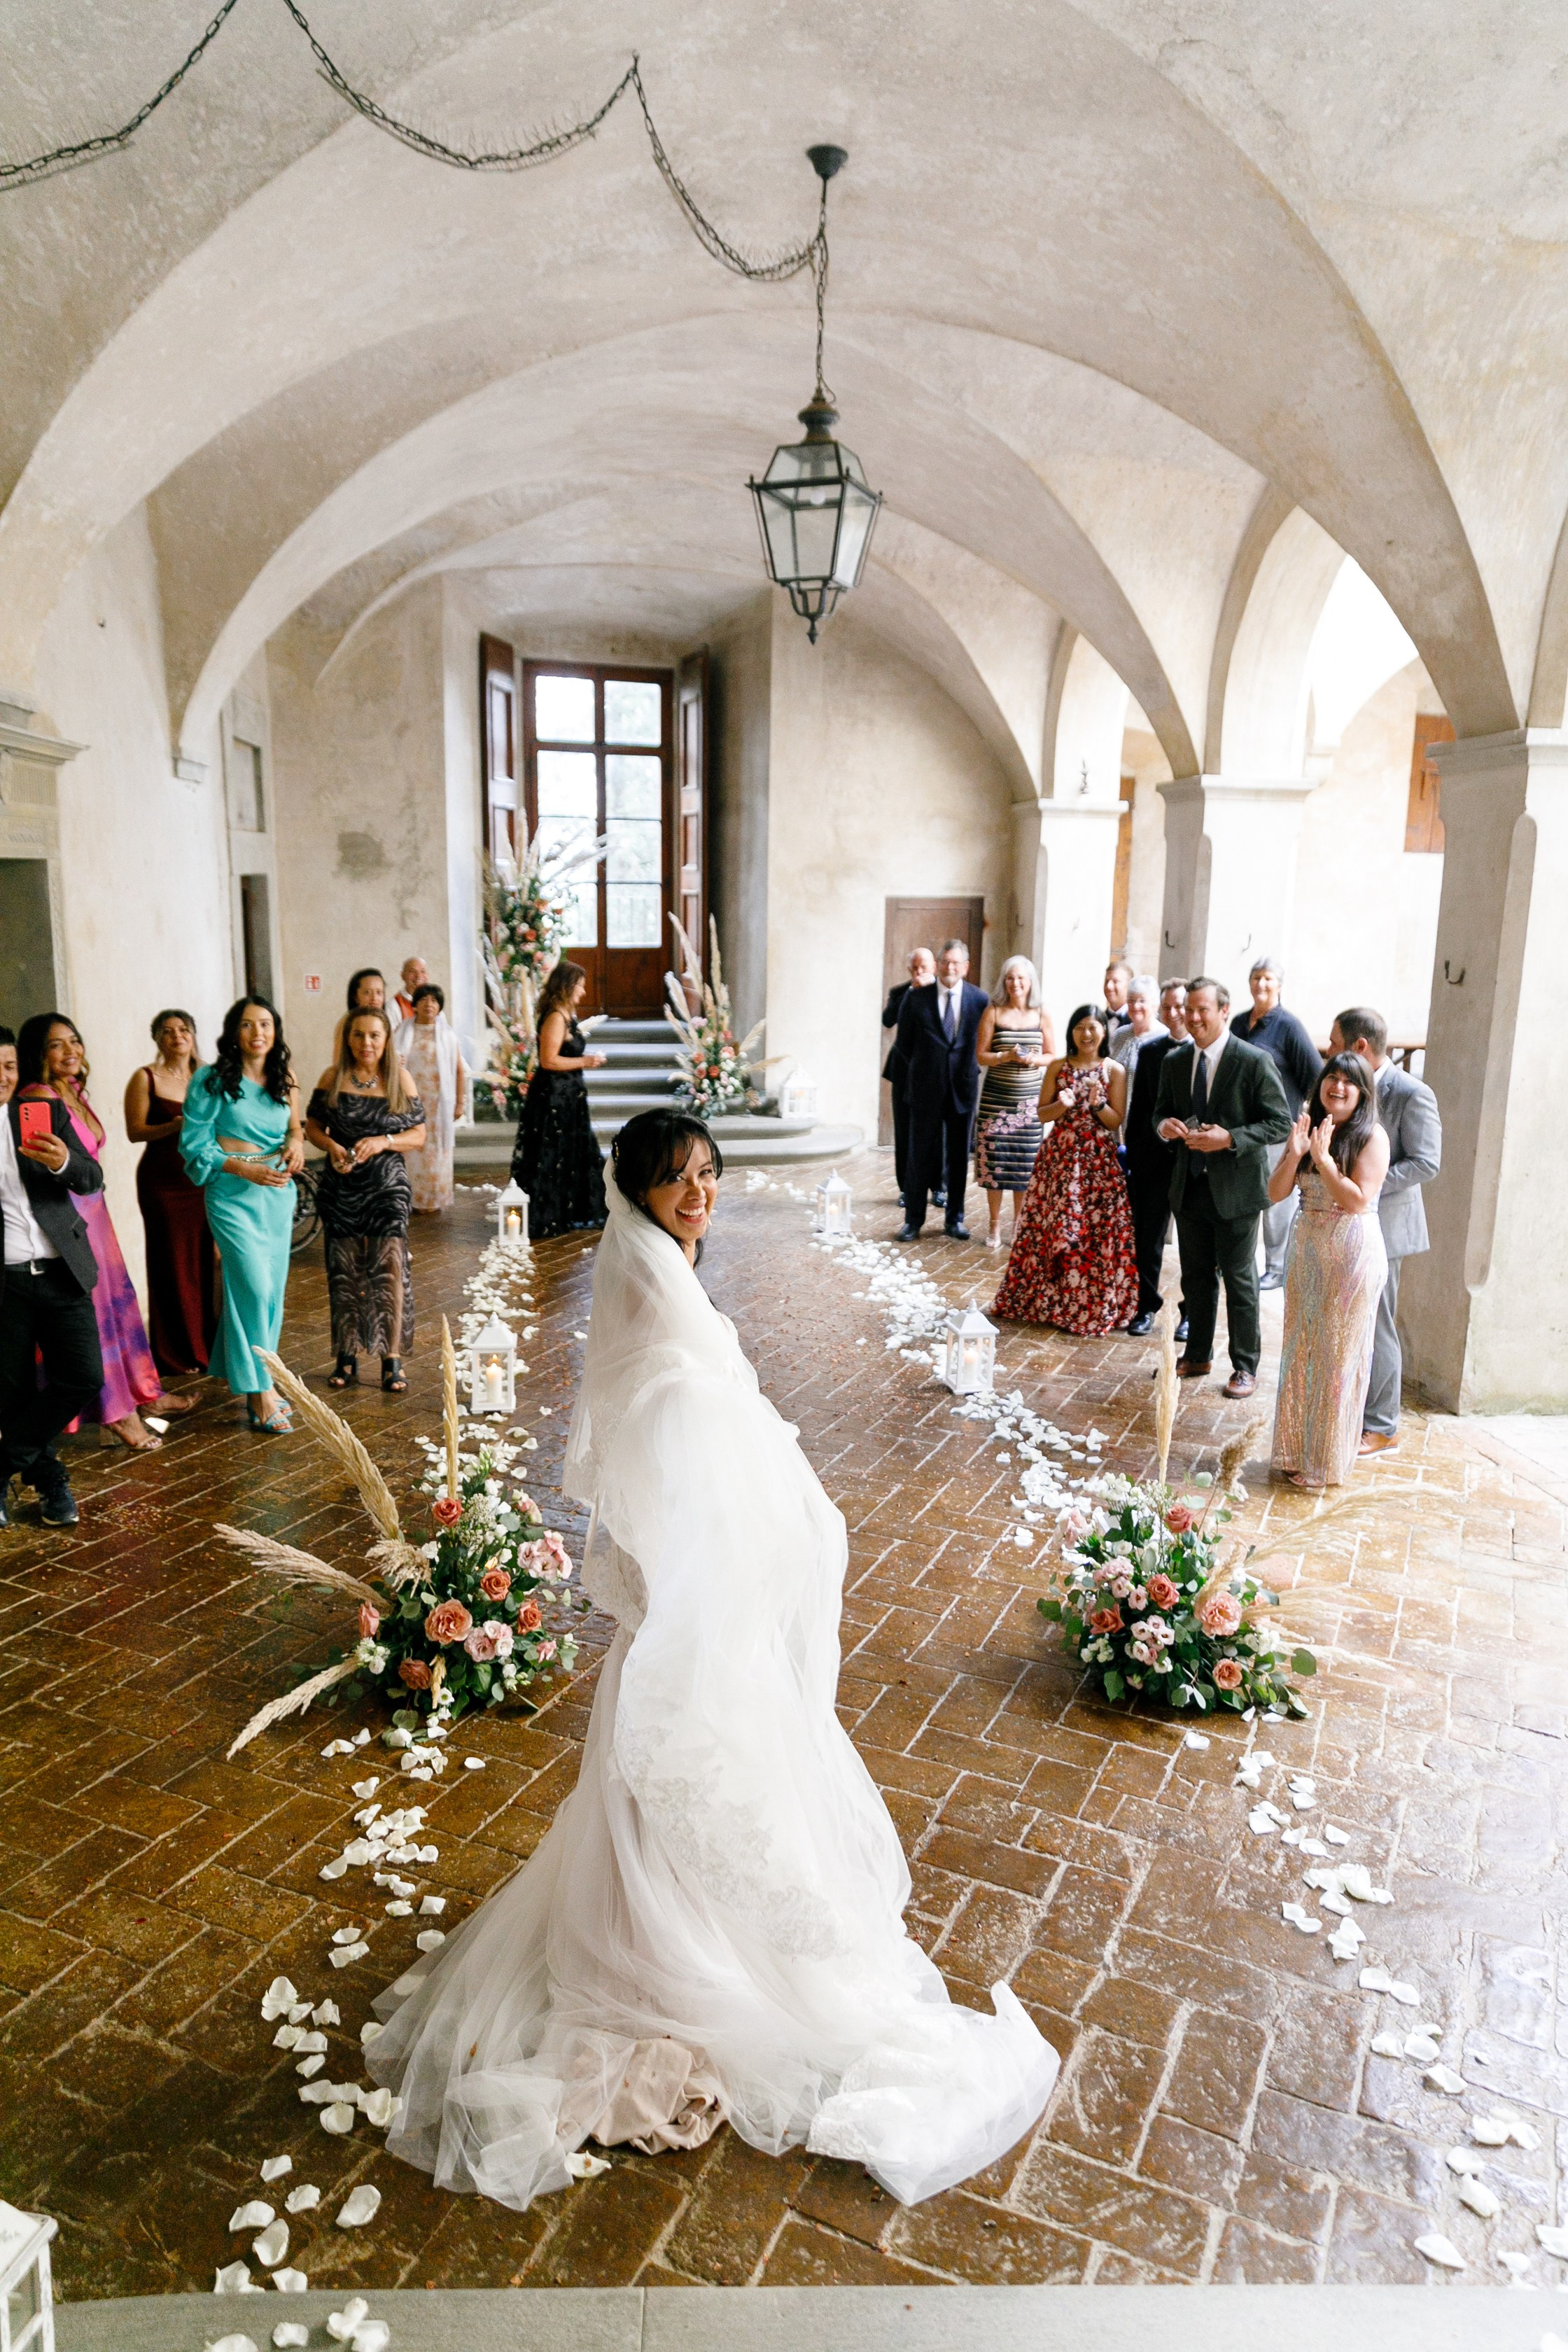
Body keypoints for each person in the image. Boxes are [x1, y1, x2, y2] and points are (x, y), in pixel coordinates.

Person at [367, 1104, 1058, 2212]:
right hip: (700, 1599)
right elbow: (675, 1417)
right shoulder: (646, 1277)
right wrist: (755, 1534)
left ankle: (662, 1933)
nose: (700, 1193)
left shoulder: (656, 1264)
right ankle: (673, 1954)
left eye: (710, 1174)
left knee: (671, 1778)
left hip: (698, 1595)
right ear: (639, 1185)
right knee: (689, 1762)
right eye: (679, 1176)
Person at [16, 1013, 189, 1452]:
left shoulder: (69, 1091)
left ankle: (142, 1391)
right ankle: (118, 1413)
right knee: (94, 1319)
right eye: (58, 1045)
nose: (72, 1051)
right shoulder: (36, 1097)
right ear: (39, 1053)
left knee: (118, 1309)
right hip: (70, 1222)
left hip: (96, 1214)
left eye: (75, 1041)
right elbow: (40, 1170)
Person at [1154, 977, 1292, 1398]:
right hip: (1189, 1186)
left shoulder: (1253, 1061)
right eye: (1187, 1010)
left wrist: (1229, 1138)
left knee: (1240, 1281)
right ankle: (1197, 1355)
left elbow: (1280, 1122)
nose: (1192, 1017)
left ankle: (1245, 1367)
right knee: (1195, 1278)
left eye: (1202, 1010)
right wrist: (1165, 1127)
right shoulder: (1175, 1062)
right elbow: (1159, 1114)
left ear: (1223, 1011)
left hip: (1236, 1192)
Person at [180, 997, 304, 1433]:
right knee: (254, 1284)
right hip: (232, 1193)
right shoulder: (211, 1080)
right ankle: (259, 1391)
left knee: (269, 1293)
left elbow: (294, 1127)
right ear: (235, 1032)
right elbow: (193, 1146)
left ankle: (261, 1380)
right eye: (248, 1025)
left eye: (266, 1024)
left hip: (276, 1194)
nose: (258, 1033)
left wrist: (297, 1145)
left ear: (275, 1031)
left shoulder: (283, 1078)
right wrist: (243, 1168)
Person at [0, 1028, 104, 1530]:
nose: (2, 1078)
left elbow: (91, 1178)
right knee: (11, 1391)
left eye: (8, 1067)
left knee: (84, 1376)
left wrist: (62, 1160)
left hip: (62, 1270)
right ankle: (49, 1483)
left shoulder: (45, 1113)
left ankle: (2, 1469)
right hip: (7, 1282)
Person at [1269, 1054, 1390, 1488]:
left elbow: (1358, 1200)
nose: (1337, 1087)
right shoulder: (1307, 1126)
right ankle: (1297, 1448)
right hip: (1307, 1251)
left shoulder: (1372, 1137)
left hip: (1351, 1253)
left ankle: (1326, 1461)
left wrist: (1324, 1163)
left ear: (1362, 1093)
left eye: (1348, 1082)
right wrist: (1296, 1154)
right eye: (1332, 1078)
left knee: (1338, 1357)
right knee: (1302, 1350)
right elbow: (1275, 1192)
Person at [1329, 1007, 1442, 1458]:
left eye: (1336, 1043)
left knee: (1379, 1325)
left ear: (1360, 1047)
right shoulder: (1346, 1088)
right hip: (1344, 1225)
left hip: (1387, 1226)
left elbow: (1426, 1162)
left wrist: (1367, 1184)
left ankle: (1383, 1426)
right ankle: (1356, 1409)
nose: (1330, 1053)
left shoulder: (1412, 1092)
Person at [992, 1004, 1139, 1334]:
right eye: (1079, 1028)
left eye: (1092, 1027)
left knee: (1092, 1233)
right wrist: (1062, 1104)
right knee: (1055, 1229)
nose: (1086, 1034)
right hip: (1059, 1158)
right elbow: (1042, 1114)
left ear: (1104, 1031)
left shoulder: (1114, 1070)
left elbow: (1116, 1121)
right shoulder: (1058, 1065)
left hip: (1098, 1163)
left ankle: (1087, 1303)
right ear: (1072, 1032)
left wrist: (1098, 1104)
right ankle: (1051, 1299)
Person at [305, 1009, 426, 1394]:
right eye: (359, 1035)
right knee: (344, 1272)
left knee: (388, 1269)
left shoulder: (399, 1079)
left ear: (387, 1039)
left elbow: (419, 1133)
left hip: (387, 1187)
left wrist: (384, 1142)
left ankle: (392, 1358)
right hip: (342, 1186)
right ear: (348, 1039)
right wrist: (333, 1146)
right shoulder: (332, 1077)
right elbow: (312, 1127)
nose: (367, 1043)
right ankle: (347, 1353)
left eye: (375, 1035)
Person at [124, 1008, 217, 1380]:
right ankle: (174, 1353)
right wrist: (172, 1126)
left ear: (193, 1035)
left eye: (183, 1029)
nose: (176, 1036)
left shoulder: (209, 1077)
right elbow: (135, 1131)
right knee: (172, 1263)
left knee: (205, 1262)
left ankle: (206, 1345)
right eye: (167, 1031)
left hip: (205, 1179)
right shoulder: (145, 1077)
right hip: (163, 1182)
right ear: (157, 1039)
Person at [1230, 958, 1323, 1291]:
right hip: (1244, 1131)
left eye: (1268, 979)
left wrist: (1304, 1115)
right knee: (1245, 1197)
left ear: (1280, 985)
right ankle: (1242, 1263)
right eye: (1256, 978)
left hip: (1277, 1131)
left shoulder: (1289, 1027)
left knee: (1276, 1202)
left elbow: (1315, 1074)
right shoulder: (1240, 1023)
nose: (1261, 985)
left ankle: (1276, 1267)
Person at [892, 938, 988, 1240]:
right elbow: (904, 1045)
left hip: (962, 1089)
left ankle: (954, 1219)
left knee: (959, 1157)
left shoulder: (980, 1000)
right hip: (925, 1090)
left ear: (966, 967)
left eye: (956, 963)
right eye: (945, 961)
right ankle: (913, 1221)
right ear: (938, 963)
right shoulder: (917, 998)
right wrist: (927, 1068)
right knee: (918, 1155)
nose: (950, 967)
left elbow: (983, 1043)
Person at [511, 960, 608, 1239]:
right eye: (580, 985)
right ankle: (547, 1215)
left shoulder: (567, 1012)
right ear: (567, 986)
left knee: (570, 1151)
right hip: (553, 1097)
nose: (584, 991)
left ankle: (570, 1211)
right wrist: (585, 1061)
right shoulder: (555, 1016)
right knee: (550, 1155)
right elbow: (548, 1060)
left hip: (569, 1096)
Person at [974, 956, 1054, 1250]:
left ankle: (1017, 1225)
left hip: (1030, 1106)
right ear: (1004, 982)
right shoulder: (993, 1012)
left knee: (1023, 1167)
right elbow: (981, 1055)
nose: (1015, 983)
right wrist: (1005, 1057)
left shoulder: (1042, 1013)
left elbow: (1052, 1055)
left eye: (1021, 978)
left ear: (1030, 982)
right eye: (1010, 978)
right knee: (995, 1166)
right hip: (996, 1103)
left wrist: (1034, 1059)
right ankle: (994, 1225)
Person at [1119, 980, 1185, 1338]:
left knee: (1193, 1244)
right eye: (1169, 1007)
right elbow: (1140, 1109)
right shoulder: (1151, 1051)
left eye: (1182, 1006)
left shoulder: (1206, 1053)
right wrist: (1136, 1157)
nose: (1175, 1014)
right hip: (1152, 1161)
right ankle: (1145, 1306)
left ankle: (1191, 1313)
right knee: (1146, 1239)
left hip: (1194, 1163)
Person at [394, 982, 469, 1214]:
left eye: (434, 1001)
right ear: (415, 1005)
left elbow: (459, 1070)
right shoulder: (401, 1032)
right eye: (424, 999)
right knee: (410, 1152)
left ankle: (432, 1201)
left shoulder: (447, 1035)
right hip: (408, 1105)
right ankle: (408, 1199)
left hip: (438, 1108)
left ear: (439, 1007)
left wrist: (459, 1102)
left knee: (436, 1155)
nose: (429, 1004)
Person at [881, 946, 934, 1204]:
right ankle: (907, 1189)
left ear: (934, 967)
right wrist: (911, 993)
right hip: (904, 1069)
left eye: (924, 967)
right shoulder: (900, 992)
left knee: (938, 1131)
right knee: (904, 1131)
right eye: (914, 967)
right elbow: (888, 1021)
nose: (919, 972)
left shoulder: (946, 992)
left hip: (936, 1071)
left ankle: (939, 1187)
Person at [1103, 958, 1133, 1039]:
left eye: (1115, 981)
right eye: (1107, 981)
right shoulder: (1098, 1020)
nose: (1109, 986)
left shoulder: (1136, 1022)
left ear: (1129, 986)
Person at [394, 955, 429, 1023]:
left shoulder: (434, 1004)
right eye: (412, 971)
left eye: (423, 971)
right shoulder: (395, 1005)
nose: (418, 976)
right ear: (402, 976)